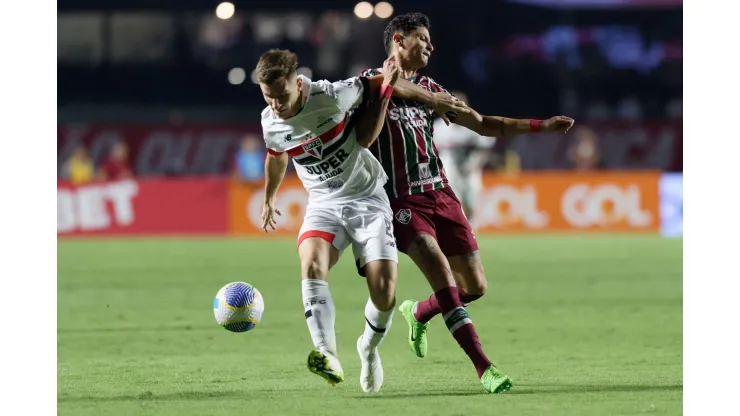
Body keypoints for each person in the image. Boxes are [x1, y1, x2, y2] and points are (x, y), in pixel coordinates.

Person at [359, 13, 575, 393]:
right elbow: (371, 115)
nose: (430, 46)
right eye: (423, 38)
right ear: (399, 39)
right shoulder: (367, 84)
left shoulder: (430, 87)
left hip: (442, 193)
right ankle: (485, 368)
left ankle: (419, 311)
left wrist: (542, 126)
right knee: (442, 276)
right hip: (403, 201)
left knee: (474, 288)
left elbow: (484, 124)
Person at [256, 49, 468, 392]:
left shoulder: (332, 95)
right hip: (324, 203)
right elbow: (276, 156)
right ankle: (326, 354)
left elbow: (387, 81)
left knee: (384, 291)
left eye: (282, 96)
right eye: (269, 98)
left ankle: (368, 349)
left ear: (298, 83)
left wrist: (433, 99)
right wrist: (269, 196)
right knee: (311, 264)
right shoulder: (270, 120)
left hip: (367, 198)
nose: (277, 105)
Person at [432, 90, 494, 231]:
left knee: (471, 201)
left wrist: (474, 165)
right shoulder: (438, 127)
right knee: (452, 200)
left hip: (469, 168)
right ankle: (456, 231)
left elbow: (485, 148)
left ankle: (472, 230)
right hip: (447, 168)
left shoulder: (475, 124)